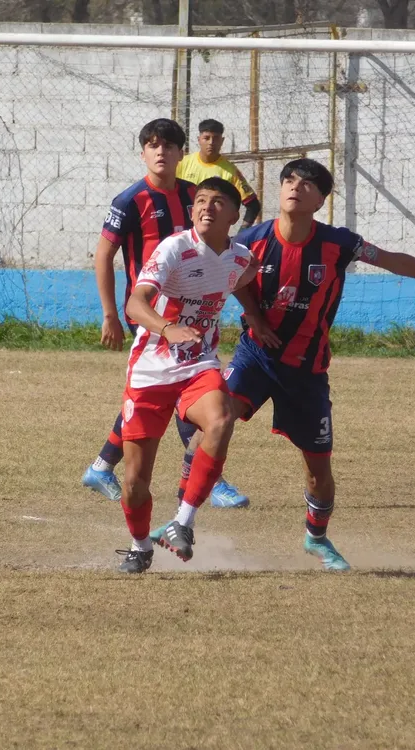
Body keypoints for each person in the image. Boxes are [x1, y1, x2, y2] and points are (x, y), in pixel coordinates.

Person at [158, 159, 415, 571]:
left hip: (307, 370)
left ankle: (317, 539)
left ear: (321, 199)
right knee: (214, 423)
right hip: (256, 356)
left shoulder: (340, 243)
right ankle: (182, 521)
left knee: (318, 473)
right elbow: (233, 278)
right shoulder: (252, 239)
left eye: (306, 184)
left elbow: (392, 259)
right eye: (288, 180)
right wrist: (252, 313)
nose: (294, 188)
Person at [82, 119, 251, 509]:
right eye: (153, 145)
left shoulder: (197, 197)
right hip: (153, 313)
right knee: (182, 392)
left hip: (192, 317)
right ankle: (211, 481)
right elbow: (104, 255)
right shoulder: (129, 201)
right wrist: (110, 313)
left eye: (169, 146)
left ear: (181, 153)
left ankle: (103, 465)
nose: (161, 152)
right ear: (143, 153)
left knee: (154, 396)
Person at [116, 178, 257, 574]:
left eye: (217, 202)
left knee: (222, 418)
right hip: (150, 369)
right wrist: (167, 327)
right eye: (200, 201)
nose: (206, 208)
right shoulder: (175, 247)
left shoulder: (240, 257)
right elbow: (135, 302)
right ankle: (140, 545)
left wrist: (257, 319)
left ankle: (183, 522)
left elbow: (243, 280)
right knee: (134, 481)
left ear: (234, 215)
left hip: (198, 364)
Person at [177, 119, 262, 230]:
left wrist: (243, 233)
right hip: (185, 230)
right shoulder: (182, 164)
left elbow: (253, 205)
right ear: (199, 140)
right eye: (206, 138)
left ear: (222, 141)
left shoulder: (230, 172)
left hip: (212, 234)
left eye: (216, 138)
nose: (211, 142)